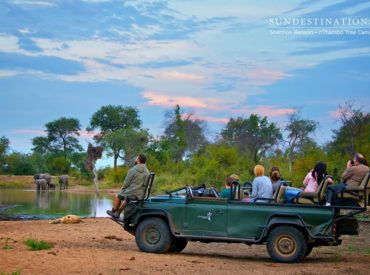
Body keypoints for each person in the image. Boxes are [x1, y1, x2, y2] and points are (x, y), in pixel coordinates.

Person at [107, 154, 150, 218]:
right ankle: (118, 213)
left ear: (138, 160)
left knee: (118, 196)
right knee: (126, 199)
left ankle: (113, 211)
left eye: (137, 158)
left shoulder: (133, 170)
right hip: (142, 194)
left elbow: (126, 183)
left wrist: (122, 190)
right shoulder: (147, 171)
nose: (136, 159)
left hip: (133, 193)